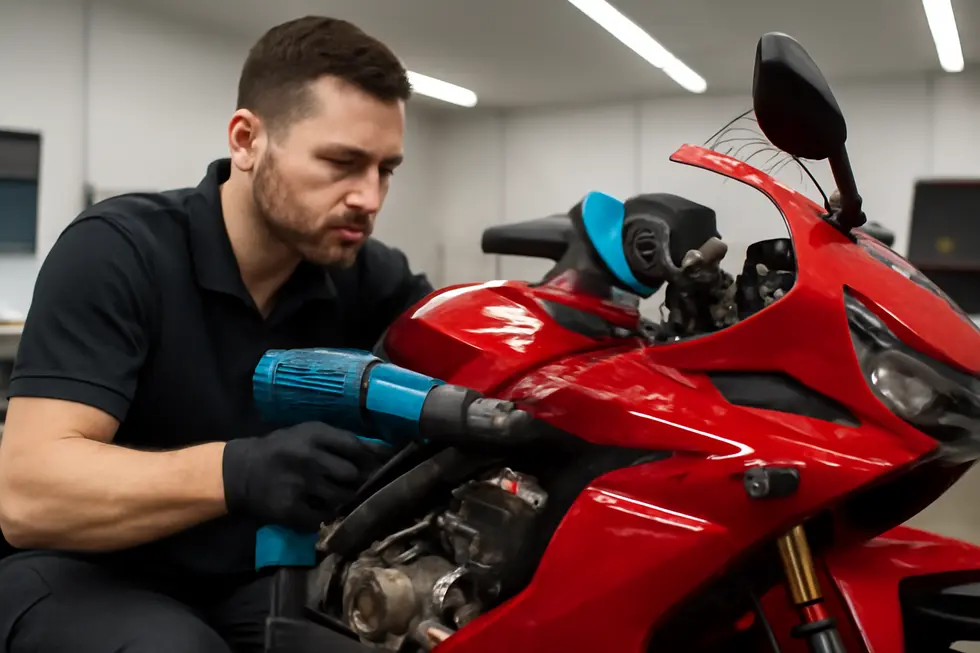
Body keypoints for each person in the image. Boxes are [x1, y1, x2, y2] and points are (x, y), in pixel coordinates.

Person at [0, 15, 432, 653]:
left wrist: (568, 302)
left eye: (386, 169)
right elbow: (28, 494)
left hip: (247, 577)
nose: (368, 196)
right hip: (79, 568)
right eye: (342, 162)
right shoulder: (118, 252)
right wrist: (241, 470)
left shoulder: (365, 275)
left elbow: (478, 350)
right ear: (246, 139)